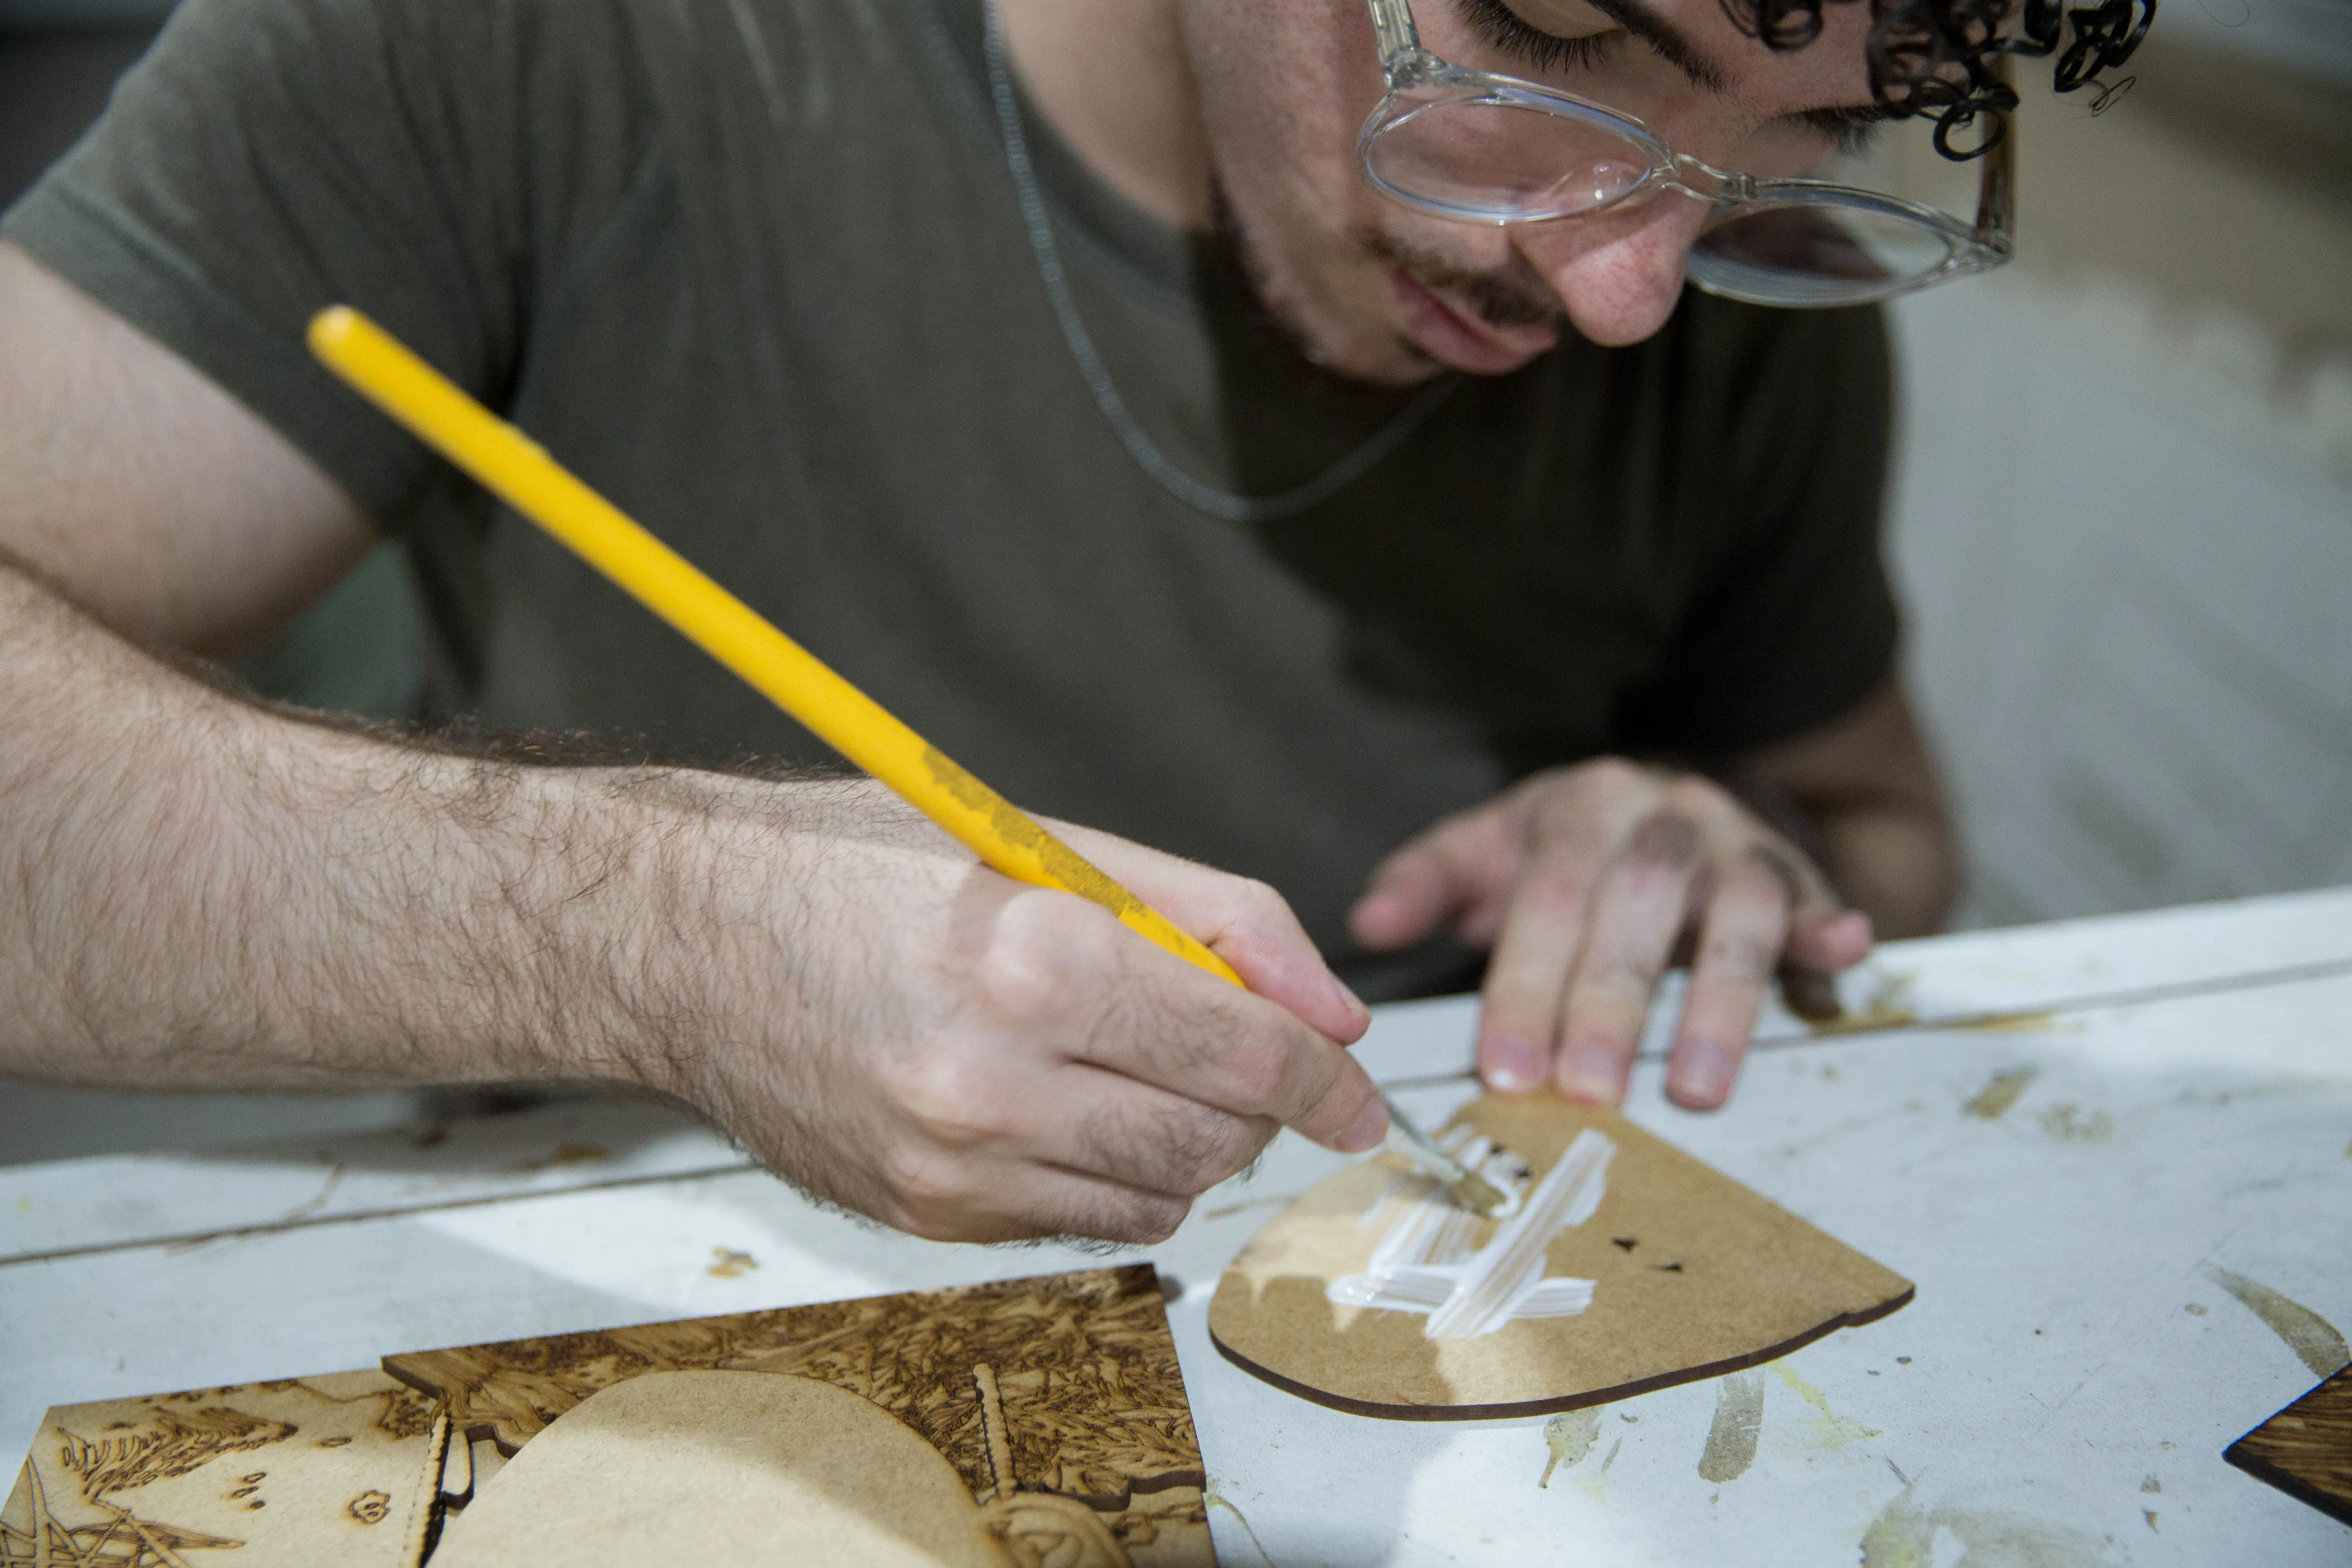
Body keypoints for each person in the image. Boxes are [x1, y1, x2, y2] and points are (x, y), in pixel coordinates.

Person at [0, 0, 2143, 1244]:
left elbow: (1886, 833)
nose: (1618, 294)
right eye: (1551, 31)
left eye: (1798, 144)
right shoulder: (570, 42)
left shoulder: (1721, 287)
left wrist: (1709, 839)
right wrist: (646, 935)